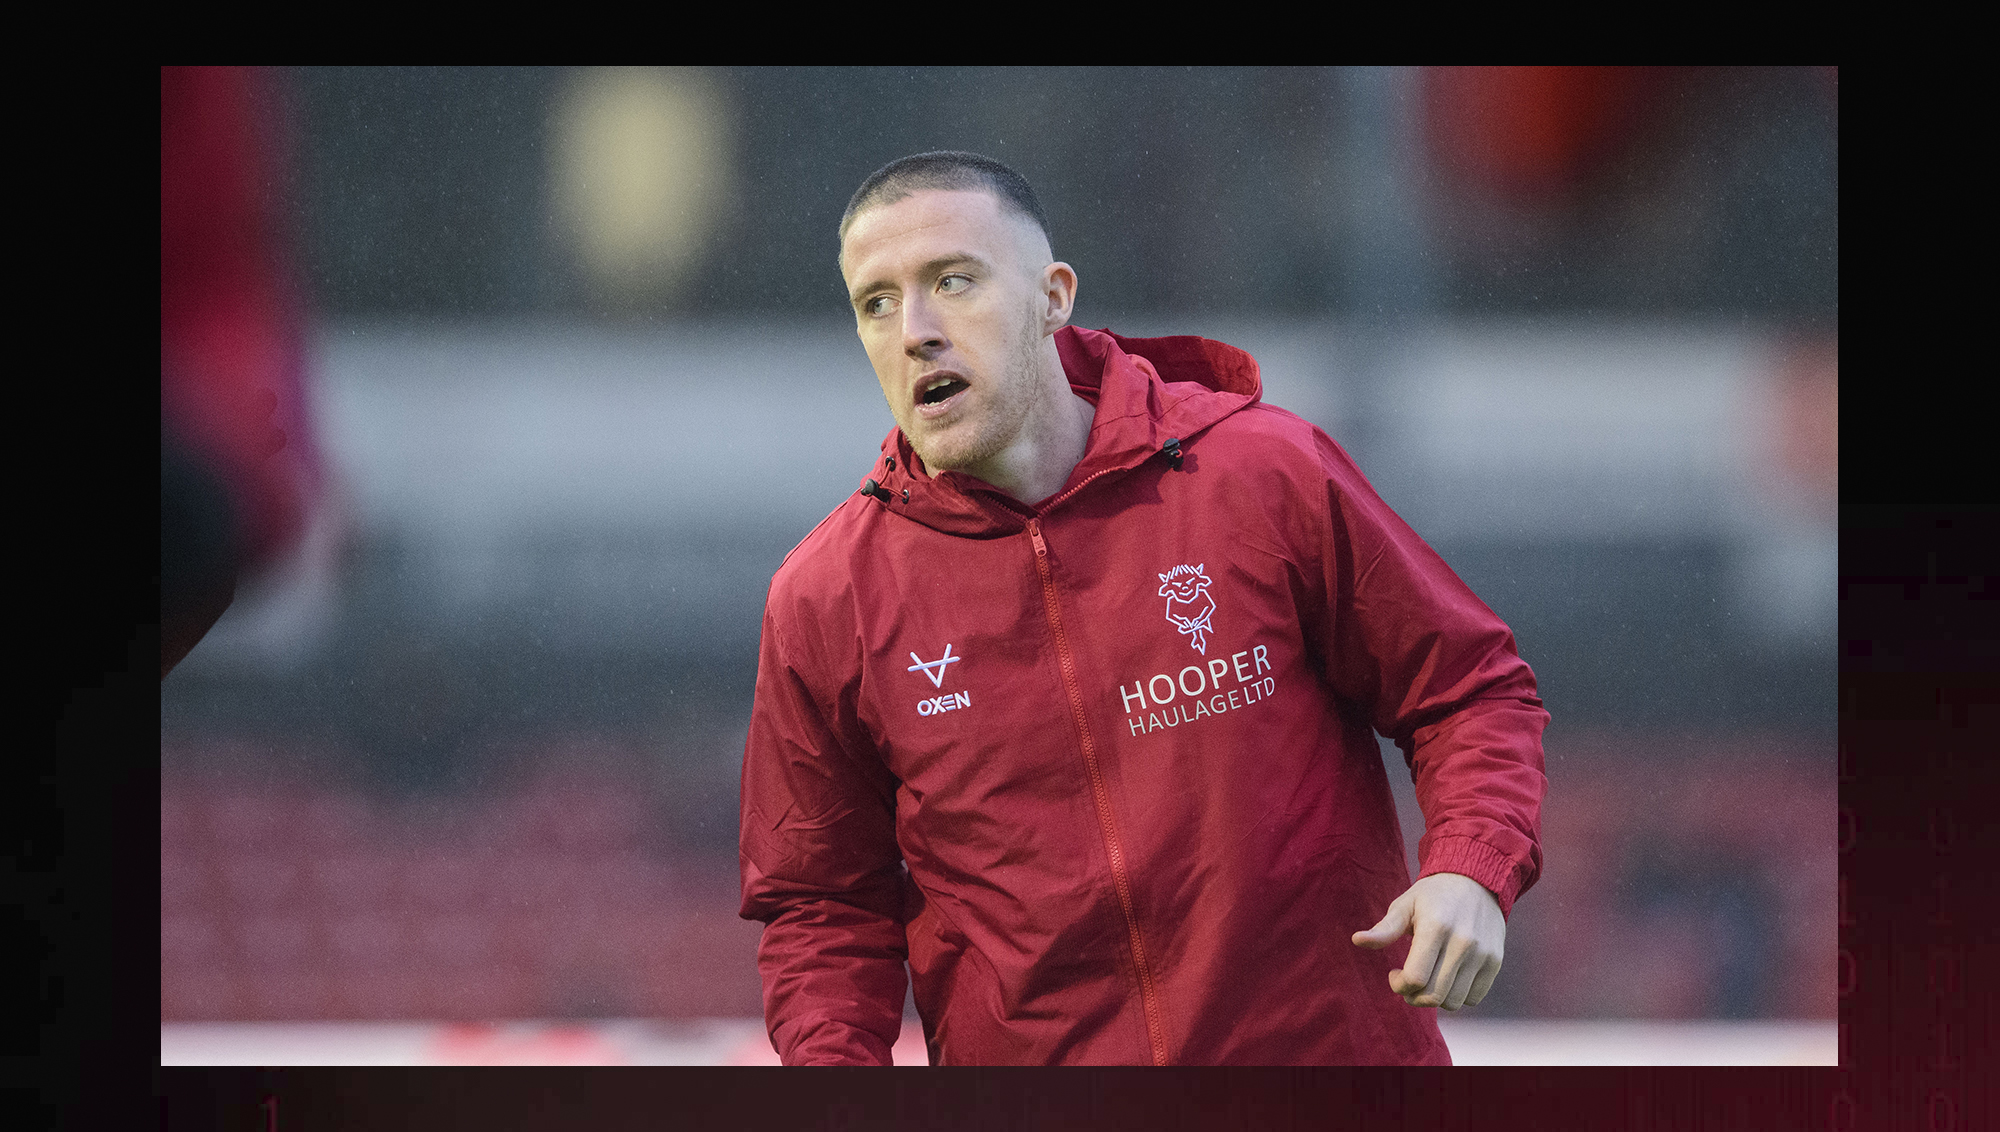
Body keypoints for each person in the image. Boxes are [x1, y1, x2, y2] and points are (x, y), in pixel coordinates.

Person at [738, 152, 1548, 1065]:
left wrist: (1471, 866)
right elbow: (820, 907)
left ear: (1053, 298)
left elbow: (1468, 690)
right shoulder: (827, 597)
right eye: (876, 303)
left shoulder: (1260, 476)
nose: (915, 331)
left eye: (953, 282)